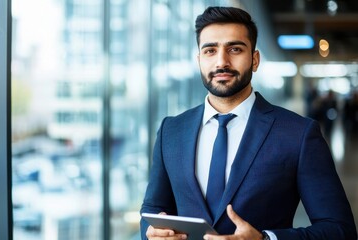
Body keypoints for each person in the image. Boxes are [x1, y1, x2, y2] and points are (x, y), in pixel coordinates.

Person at [140, 6, 357, 240]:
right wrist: (152, 234)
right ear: (199, 59)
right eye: (210, 50)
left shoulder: (299, 133)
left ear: (254, 60)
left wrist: (265, 239)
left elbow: (340, 229)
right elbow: (151, 211)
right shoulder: (171, 131)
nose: (221, 62)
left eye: (234, 49)